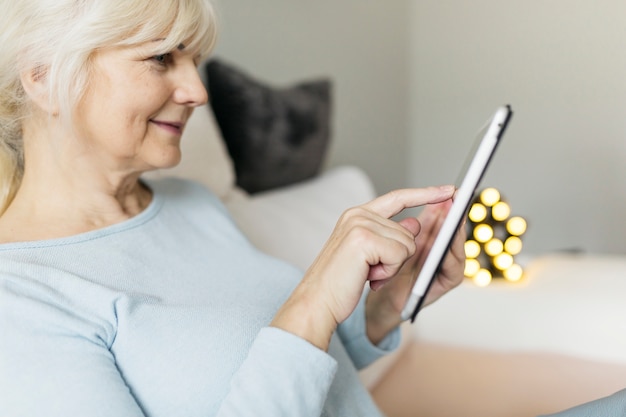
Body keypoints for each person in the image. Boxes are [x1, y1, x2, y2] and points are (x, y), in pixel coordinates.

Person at [0, 1, 466, 416]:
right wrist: (312, 302)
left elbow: (290, 374)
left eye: (194, 62)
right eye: (161, 57)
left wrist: (384, 308)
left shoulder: (193, 203)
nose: (197, 92)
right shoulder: (19, 297)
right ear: (42, 74)